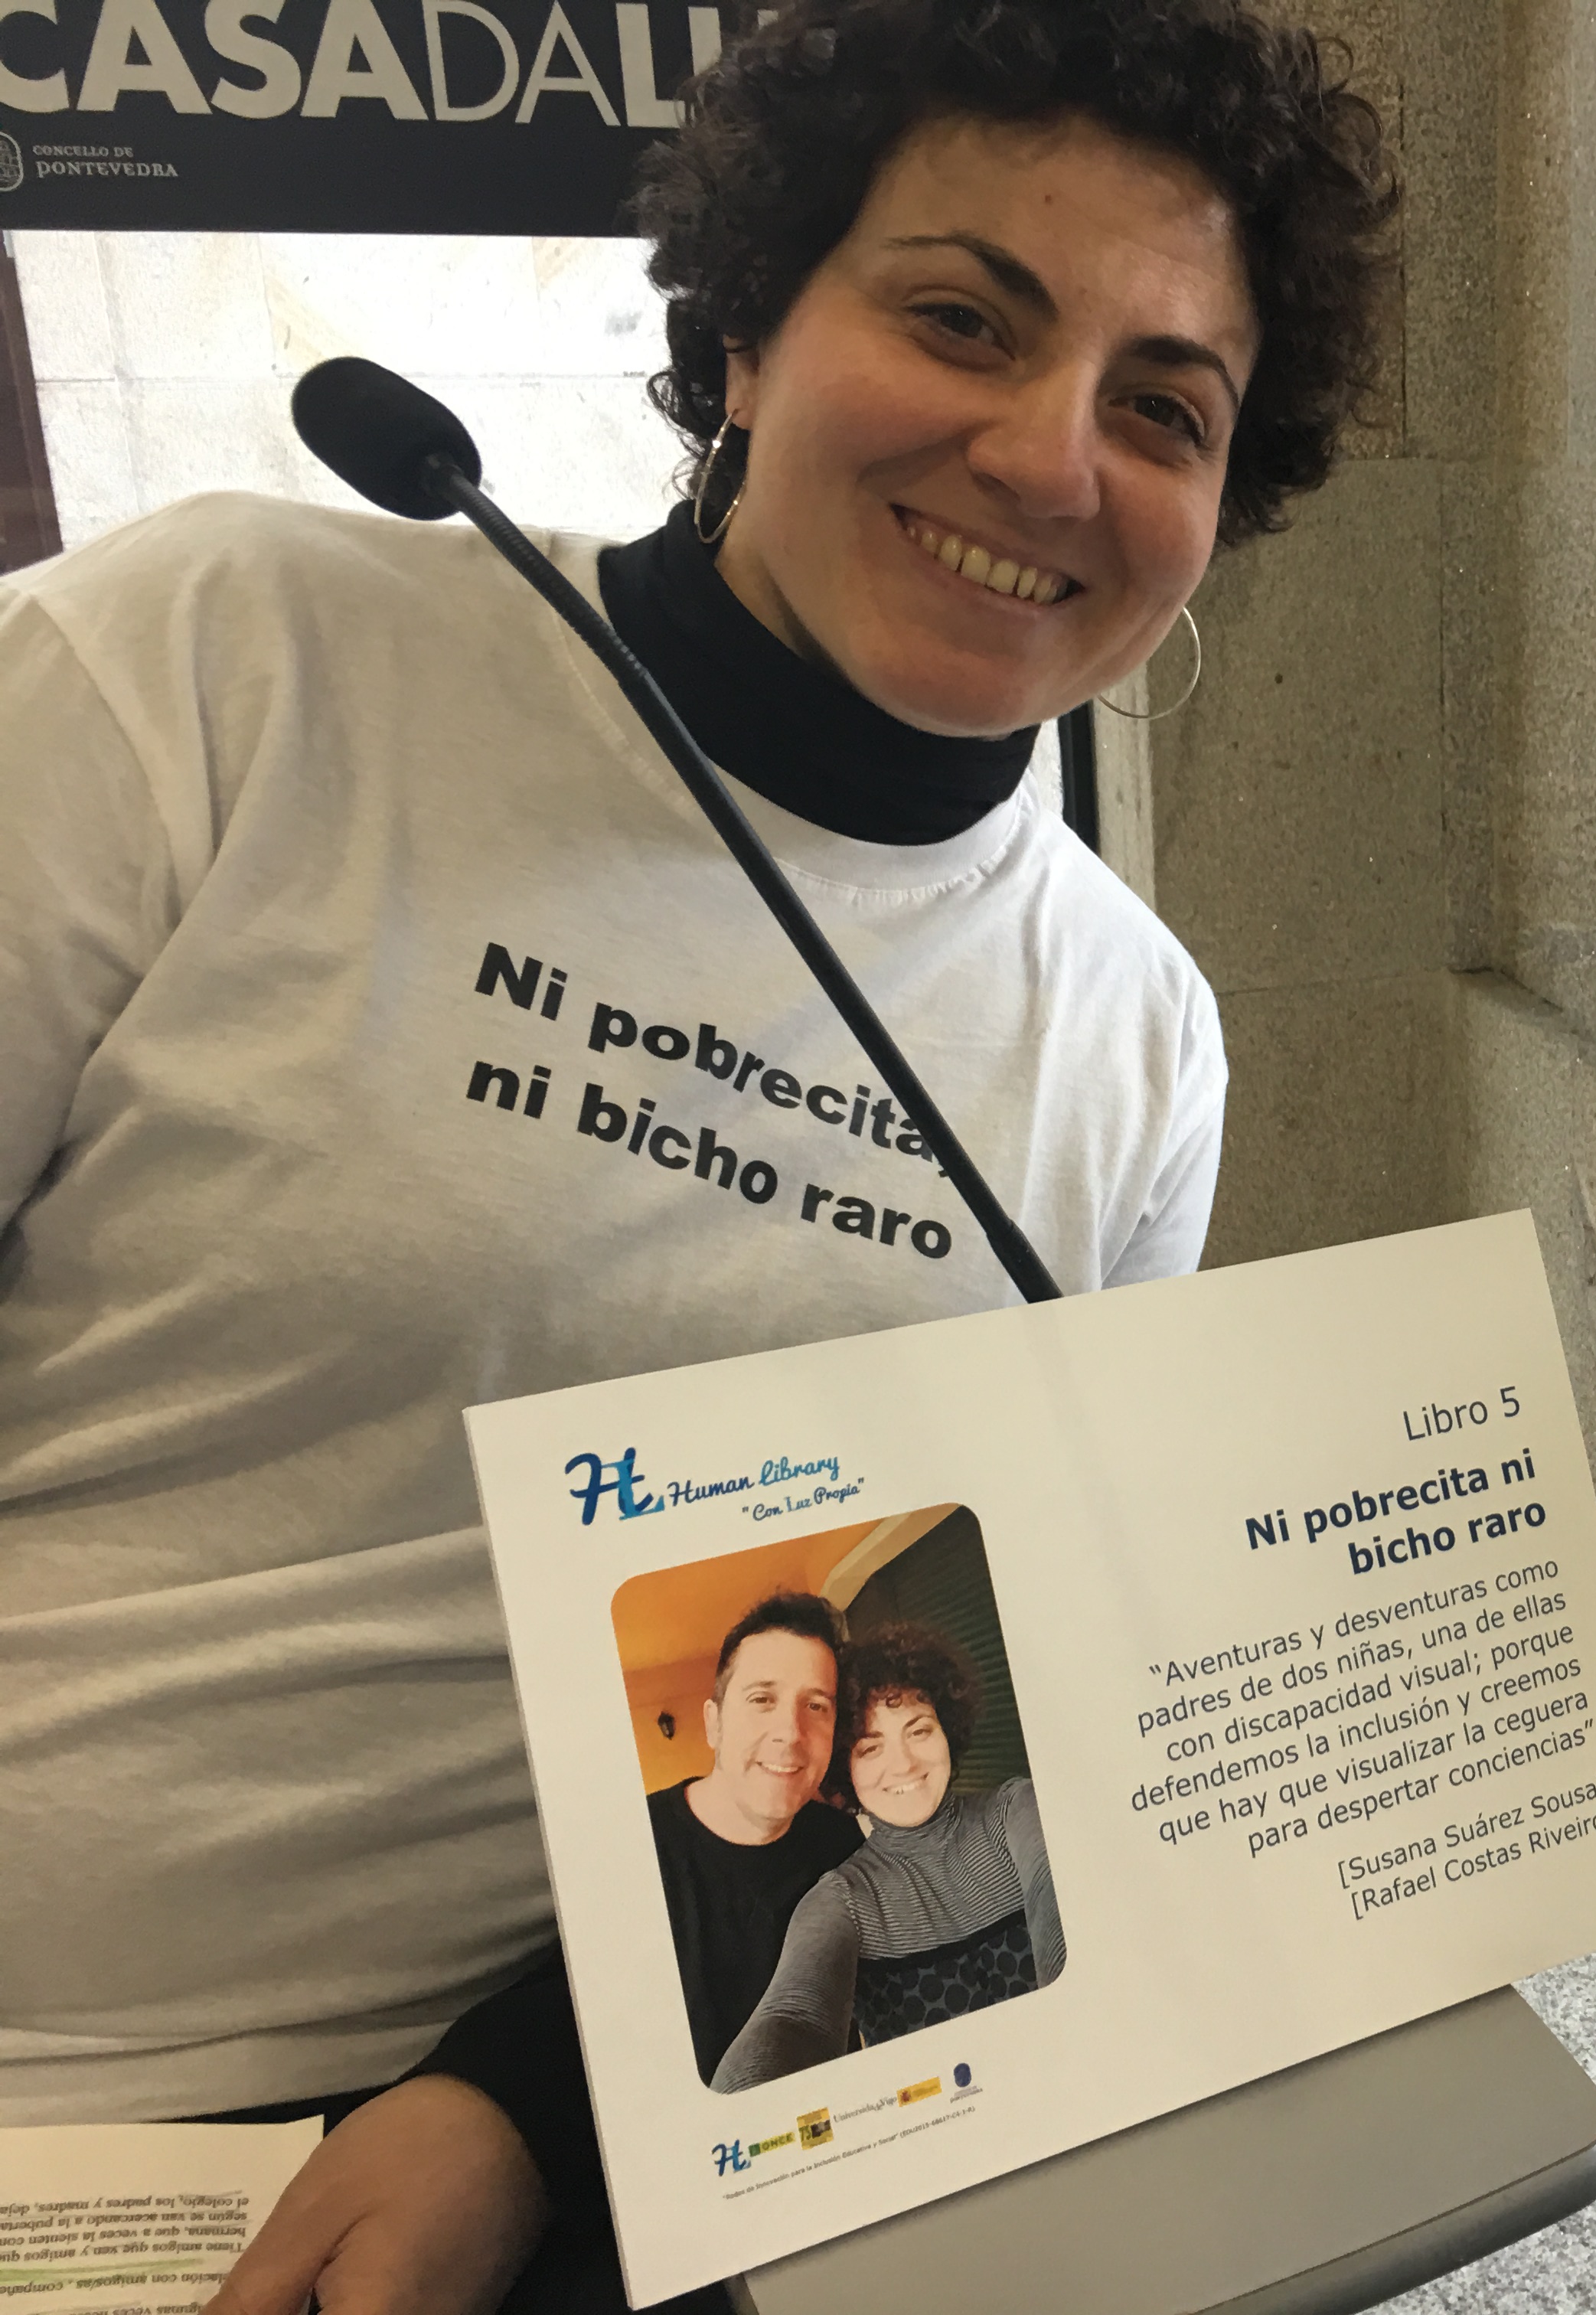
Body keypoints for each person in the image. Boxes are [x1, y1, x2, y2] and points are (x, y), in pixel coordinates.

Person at [0, 0, 1396, 2304]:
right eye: (961, 317)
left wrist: (532, 2100)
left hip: (673, 2095)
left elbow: (991, 1650)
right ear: (744, 329)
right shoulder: (222, 669)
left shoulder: (1137, 1037)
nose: (1052, 459)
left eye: (1167, 408)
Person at [710, 1622, 1066, 2095]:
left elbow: (1057, 1893)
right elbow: (795, 2020)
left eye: (919, 1731)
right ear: (845, 1766)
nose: (903, 1765)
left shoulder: (1016, 1810)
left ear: (947, 1732)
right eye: (870, 1747)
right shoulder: (843, 1900)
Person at [648, 1596, 865, 2088]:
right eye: (762, 1699)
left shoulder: (842, 1844)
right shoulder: (632, 1848)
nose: (790, 1733)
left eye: (815, 1706)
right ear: (713, 1723)